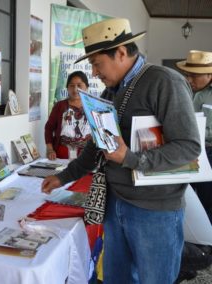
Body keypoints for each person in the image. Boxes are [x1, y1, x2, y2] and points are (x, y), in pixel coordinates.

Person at [41, 18, 201, 284]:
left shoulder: (164, 81)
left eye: (96, 63)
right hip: (116, 203)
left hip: (155, 211)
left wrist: (130, 158)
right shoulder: (110, 91)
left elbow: (189, 147)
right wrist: (63, 176)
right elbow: (97, 145)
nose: (93, 73)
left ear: (121, 52)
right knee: (117, 278)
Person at [176, 50, 212, 223]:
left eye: (194, 76)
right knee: (187, 200)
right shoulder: (186, 90)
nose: (189, 80)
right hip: (187, 152)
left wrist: (193, 131)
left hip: (209, 153)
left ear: (209, 74)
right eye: (188, 75)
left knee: (207, 203)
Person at [44, 71, 92, 160]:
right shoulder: (60, 106)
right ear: (67, 88)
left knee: (85, 174)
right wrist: (50, 150)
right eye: (72, 85)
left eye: (79, 85)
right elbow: (49, 128)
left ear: (86, 87)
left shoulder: (93, 107)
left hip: (87, 155)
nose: (75, 89)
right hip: (62, 154)